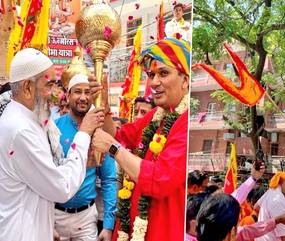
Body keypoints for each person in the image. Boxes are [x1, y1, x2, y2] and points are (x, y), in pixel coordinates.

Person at [90, 38, 190, 241]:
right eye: (151, 75)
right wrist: (105, 104)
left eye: (163, 73)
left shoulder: (187, 123)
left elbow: (160, 179)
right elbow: (118, 136)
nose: (153, 82)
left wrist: (112, 148)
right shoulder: (156, 115)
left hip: (162, 232)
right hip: (130, 227)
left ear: (186, 79)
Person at [0, 48, 104, 241]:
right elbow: (61, 186)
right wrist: (83, 133)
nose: (55, 95)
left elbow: (48, 172)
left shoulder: (30, 120)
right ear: (27, 88)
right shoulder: (20, 129)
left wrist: (84, 163)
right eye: (49, 85)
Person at [54, 74, 117, 241]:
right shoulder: (54, 129)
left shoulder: (99, 133)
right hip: (55, 216)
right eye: (77, 92)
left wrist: (108, 225)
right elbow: (43, 178)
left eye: (87, 92)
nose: (83, 97)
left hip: (86, 218)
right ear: (68, 96)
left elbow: (108, 179)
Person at [254, 169, 285, 241]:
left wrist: (268, 222)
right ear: (281, 181)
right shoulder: (278, 201)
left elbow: (256, 207)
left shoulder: (272, 190)